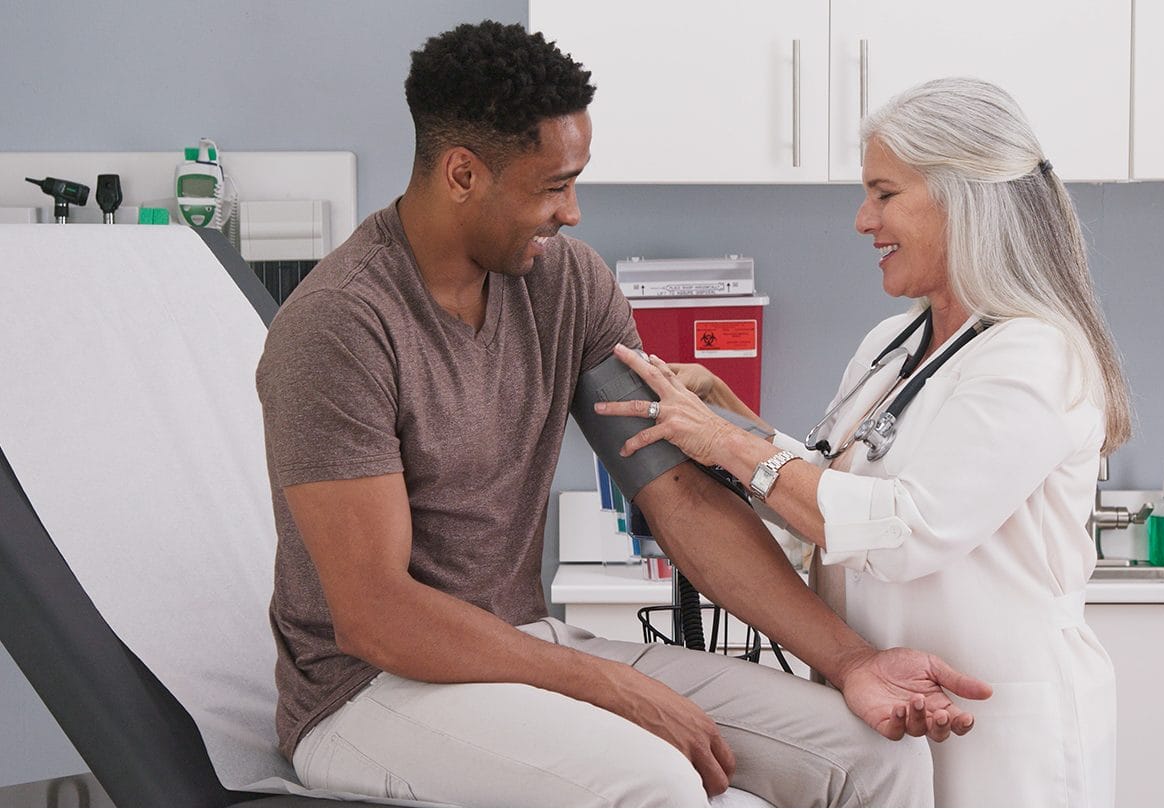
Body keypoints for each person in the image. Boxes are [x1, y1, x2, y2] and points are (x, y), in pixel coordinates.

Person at [256, 22, 992, 808]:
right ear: (462, 174)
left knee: (873, 756)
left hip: (520, 645)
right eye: (550, 186)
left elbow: (676, 494)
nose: (572, 212)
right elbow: (375, 616)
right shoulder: (338, 327)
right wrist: (608, 685)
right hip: (366, 694)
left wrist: (851, 662)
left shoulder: (567, 285)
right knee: (655, 781)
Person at [596, 77, 1128, 807]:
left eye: (884, 193)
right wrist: (733, 418)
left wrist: (728, 443)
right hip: (892, 709)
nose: (860, 219)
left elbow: (907, 526)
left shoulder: (1036, 354)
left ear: (960, 197)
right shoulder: (894, 343)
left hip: (1002, 725)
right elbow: (831, 490)